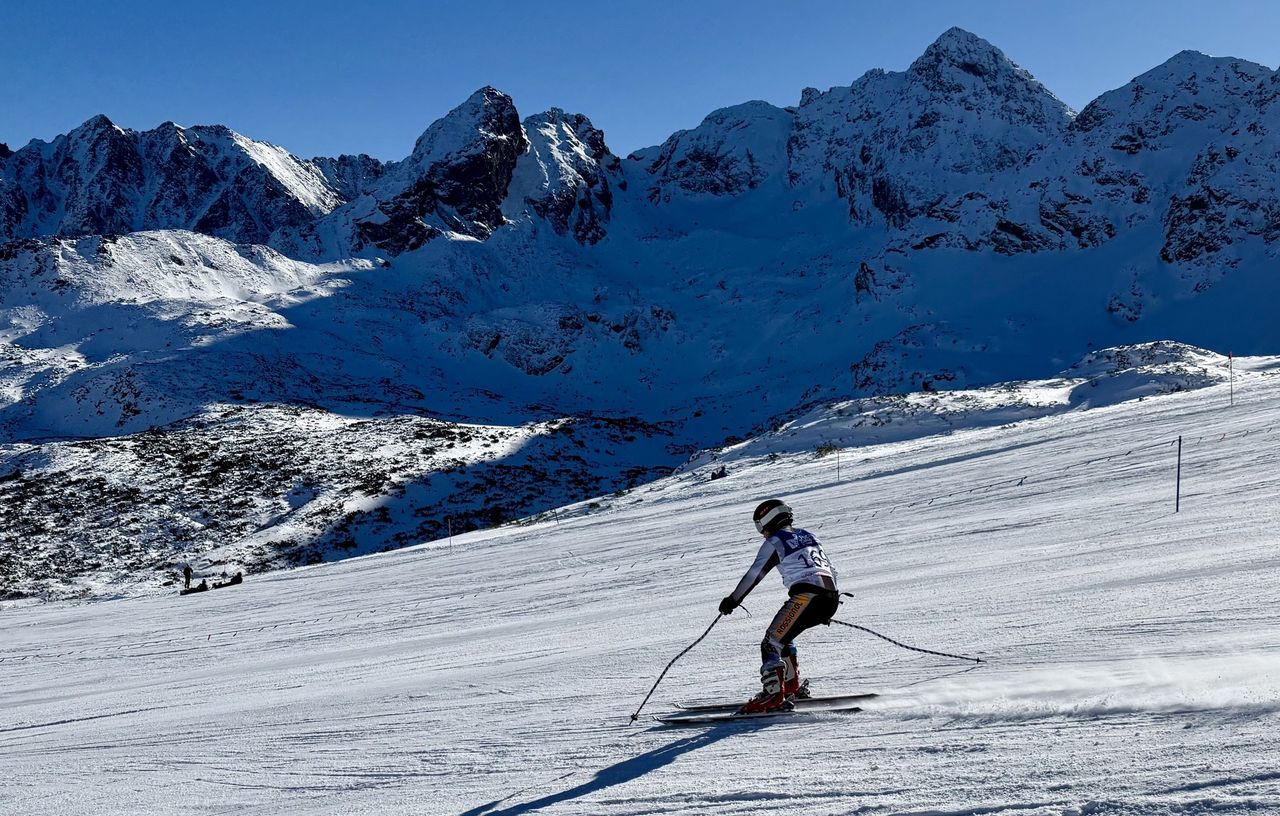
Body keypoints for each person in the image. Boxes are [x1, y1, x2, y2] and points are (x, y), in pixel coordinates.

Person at [718, 499, 841, 714]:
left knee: (771, 642)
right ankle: (790, 687)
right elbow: (830, 569)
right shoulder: (809, 536)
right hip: (829, 596)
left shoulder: (776, 541)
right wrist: (827, 603)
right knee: (784, 638)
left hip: (807, 596)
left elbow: (754, 574)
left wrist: (733, 600)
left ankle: (773, 695)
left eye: (760, 526)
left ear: (768, 519)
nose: (762, 533)